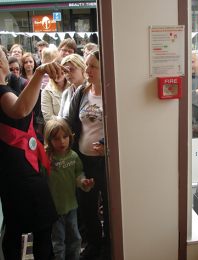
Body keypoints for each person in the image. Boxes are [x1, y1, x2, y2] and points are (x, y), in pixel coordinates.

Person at [0, 47, 68, 259]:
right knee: (42, 224)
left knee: (15, 226)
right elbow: (21, 109)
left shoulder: (9, 83)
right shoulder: (2, 92)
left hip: (12, 166)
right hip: (19, 169)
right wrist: (39, 74)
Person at [63, 50, 111, 260]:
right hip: (83, 161)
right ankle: (94, 244)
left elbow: (123, 128)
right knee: (87, 206)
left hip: (106, 163)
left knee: (109, 207)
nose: (87, 70)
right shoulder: (82, 93)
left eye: (93, 66)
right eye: (87, 65)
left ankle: (109, 245)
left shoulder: (113, 94)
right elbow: (67, 120)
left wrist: (109, 145)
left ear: (105, 70)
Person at [42, 118, 95, 260]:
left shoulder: (73, 156)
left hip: (71, 206)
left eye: (65, 137)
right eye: (56, 138)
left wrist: (84, 183)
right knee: (58, 241)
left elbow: (78, 174)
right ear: (49, 140)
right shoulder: (47, 159)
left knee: (75, 238)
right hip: (54, 209)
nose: (62, 142)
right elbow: (41, 181)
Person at [41, 57, 70, 122]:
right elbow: (48, 117)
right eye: (54, 71)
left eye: (59, 71)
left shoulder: (73, 86)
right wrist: (66, 121)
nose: (57, 74)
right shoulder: (47, 91)